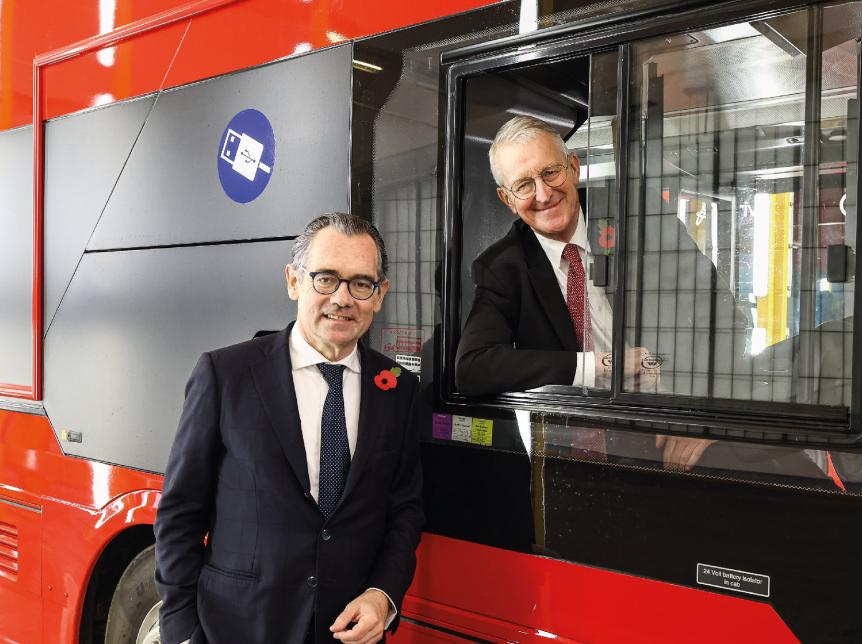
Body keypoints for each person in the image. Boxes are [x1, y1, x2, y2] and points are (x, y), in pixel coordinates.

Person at [155, 213, 423, 644]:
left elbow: (404, 509)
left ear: (380, 294)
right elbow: (181, 511)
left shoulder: (398, 389)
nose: (342, 298)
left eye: (360, 283)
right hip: (235, 627)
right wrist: (182, 628)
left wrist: (382, 594)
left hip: (345, 632)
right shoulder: (227, 374)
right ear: (293, 282)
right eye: (326, 279)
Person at [455, 116, 713, 470]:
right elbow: (473, 368)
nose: (544, 194)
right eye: (524, 185)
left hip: (673, 426)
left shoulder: (642, 220)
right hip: (575, 455)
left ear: (573, 167)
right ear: (507, 199)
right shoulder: (502, 267)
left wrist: (704, 420)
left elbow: (721, 316)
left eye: (550, 173)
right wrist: (601, 367)